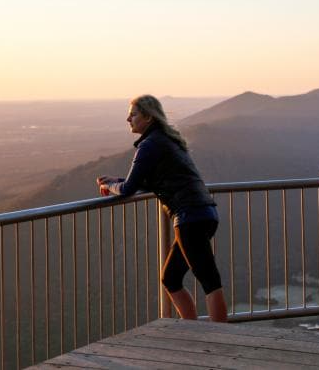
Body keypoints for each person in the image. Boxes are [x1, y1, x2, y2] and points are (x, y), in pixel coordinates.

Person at [97, 94, 228, 322]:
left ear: (148, 117)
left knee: (209, 279)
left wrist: (110, 185)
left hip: (190, 217)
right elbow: (146, 182)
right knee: (171, 278)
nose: (129, 119)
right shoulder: (165, 140)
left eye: (133, 114)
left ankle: (221, 338)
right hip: (203, 213)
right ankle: (193, 329)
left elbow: (128, 189)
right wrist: (115, 180)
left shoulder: (149, 145)